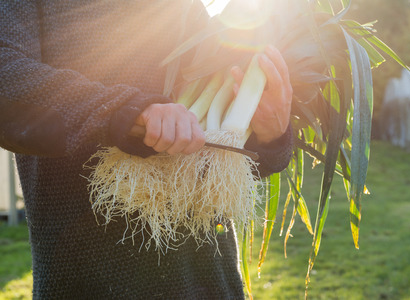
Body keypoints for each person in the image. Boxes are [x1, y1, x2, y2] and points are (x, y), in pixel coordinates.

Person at [0, 1, 293, 299]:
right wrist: (127, 112)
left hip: (212, 283)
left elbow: (214, 152)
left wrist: (269, 136)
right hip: (89, 283)